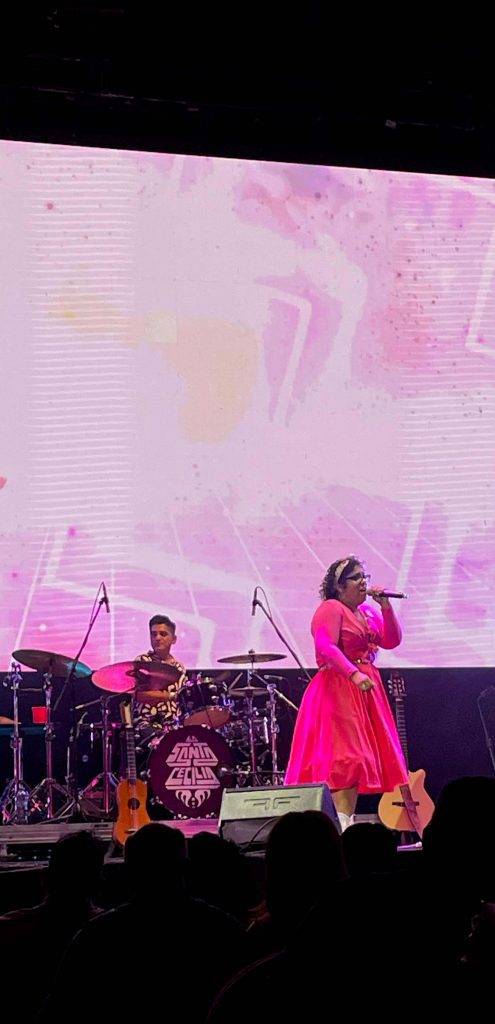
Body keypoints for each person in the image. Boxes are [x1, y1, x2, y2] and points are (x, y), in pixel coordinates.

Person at [285, 555, 408, 831]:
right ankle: (341, 826)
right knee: (347, 759)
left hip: (364, 689)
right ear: (340, 587)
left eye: (365, 577)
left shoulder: (367, 613)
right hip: (338, 688)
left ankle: (343, 823)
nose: (364, 583)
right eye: (356, 578)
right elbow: (326, 647)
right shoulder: (331, 608)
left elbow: (391, 640)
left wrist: (386, 608)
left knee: (360, 758)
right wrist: (353, 673)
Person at [133, 613, 187, 736]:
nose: (157, 638)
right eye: (153, 634)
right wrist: (171, 696)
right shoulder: (143, 661)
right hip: (146, 724)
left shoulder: (179, 667)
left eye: (163, 634)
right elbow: (138, 695)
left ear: (174, 639)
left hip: (174, 725)